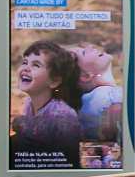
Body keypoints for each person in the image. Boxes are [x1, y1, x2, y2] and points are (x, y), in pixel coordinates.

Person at [12, 39, 83, 167]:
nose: (26, 68)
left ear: (54, 81)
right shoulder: (29, 103)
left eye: (36, 65)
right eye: (25, 62)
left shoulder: (64, 116)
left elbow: (69, 162)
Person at [70, 43, 124, 143]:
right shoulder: (104, 99)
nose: (90, 46)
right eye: (83, 52)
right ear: (86, 76)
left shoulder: (95, 99)